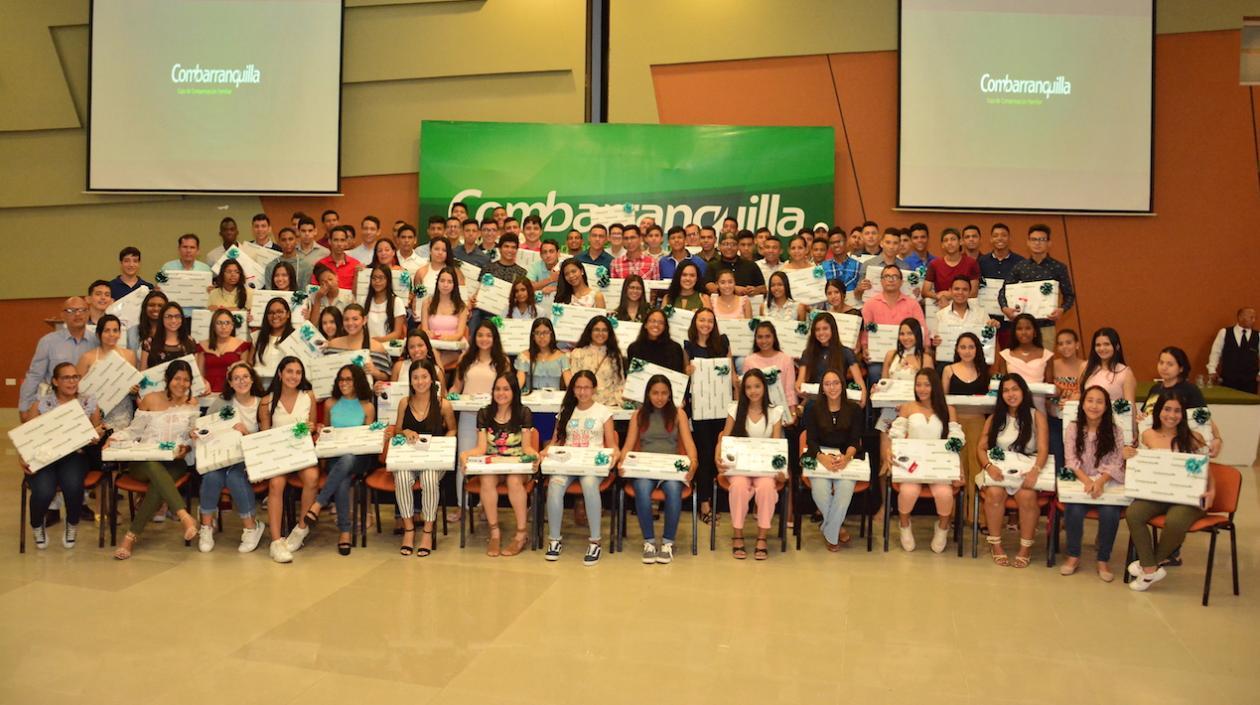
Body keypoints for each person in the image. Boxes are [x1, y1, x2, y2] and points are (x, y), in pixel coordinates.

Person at [1124, 392, 1219, 591]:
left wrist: (1211, 491)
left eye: (1177, 411)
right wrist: (1128, 454)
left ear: (1183, 414)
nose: (1171, 415)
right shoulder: (1147, 435)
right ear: (1158, 411)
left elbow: (1206, 468)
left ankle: (1148, 567)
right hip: (1157, 494)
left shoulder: (1193, 437)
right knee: (1134, 513)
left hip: (1189, 497)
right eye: (1167, 409)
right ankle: (1151, 567)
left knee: (1175, 521)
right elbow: (1140, 465)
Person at [109, 360, 200, 560]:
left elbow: (191, 436)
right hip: (144, 462)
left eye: (186, 380)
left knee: (158, 485)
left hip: (174, 462)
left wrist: (186, 447)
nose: (181, 384)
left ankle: (130, 537)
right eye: (177, 378)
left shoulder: (192, 404)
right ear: (168, 379)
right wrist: (114, 438)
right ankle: (185, 517)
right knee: (153, 466)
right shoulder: (150, 399)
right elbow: (134, 431)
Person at [286, 364, 379, 556]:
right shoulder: (330, 403)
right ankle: (345, 532)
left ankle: (319, 503)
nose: (343, 383)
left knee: (348, 459)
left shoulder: (367, 406)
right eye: (341, 379)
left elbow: (368, 440)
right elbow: (326, 432)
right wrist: (321, 430)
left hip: (359, 459)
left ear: (357, 381)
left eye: (348, 379)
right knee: (342, 481)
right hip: (334, 458)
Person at [21, 362, 103, 550]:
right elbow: (27, 434)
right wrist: (22, 457)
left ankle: (72, 524)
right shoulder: (41, 404)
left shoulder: (88, 401)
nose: (72, 381)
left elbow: (95, 432)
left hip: (75, 455)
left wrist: (96, 436)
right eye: (66, 377)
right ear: (55, 381)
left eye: (75, 377)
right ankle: (36, 525)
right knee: (44, 491)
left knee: (73, 485)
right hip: (44, 456)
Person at [619, 375, 698, 563]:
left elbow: (689, 444)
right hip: (645, 468)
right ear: (648, 394)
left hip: (671, 469)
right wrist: (622, 463)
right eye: (655, 393)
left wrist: (693, 462)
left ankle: (668, 542)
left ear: (670, 394)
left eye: (664, 393)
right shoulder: (638, 415)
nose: (660, 397)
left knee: (673, 490)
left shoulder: (679, 414)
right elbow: (628, 446)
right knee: (642, 489)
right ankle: (649, 541)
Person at [542, 371, 618, 565]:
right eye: (578, 387)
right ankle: (554, 539)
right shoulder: (566, 410)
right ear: (573, 389)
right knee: (555, 486)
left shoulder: (603, 412)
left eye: (586, 387)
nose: (582, 391)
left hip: (591, 465)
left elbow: (612, 446)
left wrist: (614, 458)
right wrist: (543, 452)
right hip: (566, 463)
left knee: (590, 485)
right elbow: (555, 441)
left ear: (594, 389)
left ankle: (595, 541)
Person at [883, 368, 963, 553]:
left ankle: (942, 528)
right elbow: (897, 434)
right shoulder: (908, 407)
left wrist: (958, 468)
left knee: (944, 493)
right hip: (913, 465)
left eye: (926, 384)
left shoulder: (948, 409)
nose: (922, 389)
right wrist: (890, 450)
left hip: (938, 466)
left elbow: (956, 439)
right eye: (918, 384)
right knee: (909, 491)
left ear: (934, 386)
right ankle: (904, 526)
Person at [976, 373, 1050, 568]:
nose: (1011, 394)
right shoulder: (994, 418)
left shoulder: (1037, 416)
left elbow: (1043, 448)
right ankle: (996, 545)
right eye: (1006, 390)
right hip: (998, 470)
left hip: (1026, 468)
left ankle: (1025, 547)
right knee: (994, 493)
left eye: (1015, 389)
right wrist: (989, 467)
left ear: (1023, 391)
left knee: (1027, 496)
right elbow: (981, 448)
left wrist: (1035, 470)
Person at [459, 373, 537, 557]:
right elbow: (481, 448)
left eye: (506, 389)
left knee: (514, 482)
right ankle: (494, 533)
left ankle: (521, 534)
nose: (501, 393)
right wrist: (465, 454)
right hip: (492, 464)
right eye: (497, 389)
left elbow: (526, 447)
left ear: (514, 392)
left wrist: (536, 456)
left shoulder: (523, 413)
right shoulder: (484, 413)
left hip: (516, 465)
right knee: (486, 480)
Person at [195, 362, 267, 554]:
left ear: (252, 379)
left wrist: (246, 433)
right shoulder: (221, 402)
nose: (242, 381)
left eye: (245, 376)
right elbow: (206, 427)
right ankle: (206, 526)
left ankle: (252, 527)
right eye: (236, 378)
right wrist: (197, 432)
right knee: (212, 476)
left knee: (235, 477)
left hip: (250, 456)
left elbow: (267, 439)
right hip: (222, 455)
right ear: (230, 382)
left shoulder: (263, 402)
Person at [1060, 385, 1126, 581]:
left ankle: (1103, 560)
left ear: (1106, 407)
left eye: (1099, 402)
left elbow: (1116, 462)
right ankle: (1073, 556)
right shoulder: (1073, 428)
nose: (1094, 406)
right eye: (1090, 400)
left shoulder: (1116, 431)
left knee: (1109, 512)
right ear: (1082, 404)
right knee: (1074, 510)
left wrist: (1101, 482)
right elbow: (1071, 460)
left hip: (1108, 481)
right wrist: (1088, 481)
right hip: (1081, 479)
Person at [717, 369, 784, 560]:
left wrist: (780, 470)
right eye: (748, 387)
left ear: (764, 387)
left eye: (757, 386)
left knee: (766, 487)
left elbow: (777, 446)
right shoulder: (734, 409)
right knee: (738, 486)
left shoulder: (775, 412)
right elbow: (724, 438)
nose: (753, 391)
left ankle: (762, 537)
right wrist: (718, 458)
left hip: (764, 468)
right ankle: (737, 534)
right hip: (739, 466)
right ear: (743, 389)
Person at [258, 356, 320, 563]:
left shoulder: (308, 395)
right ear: (280, 374)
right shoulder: (267, 400)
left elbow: (314, 425)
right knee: (276, 484)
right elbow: (264, 435)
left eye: (298, 372)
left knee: (312, 478)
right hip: (278, 454)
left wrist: (312, 427)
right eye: (289, 371)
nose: (294, 376)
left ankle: (301, 528)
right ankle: (276, 541)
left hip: (302, 452)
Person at [683, 309, 735, 525]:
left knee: (720, 452)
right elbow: (684, 375)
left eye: (709, 321)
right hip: (700, 409)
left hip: (722, 408)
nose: (705, 324)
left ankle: (720, 500)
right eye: (701, 320)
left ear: (714, 324)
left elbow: (731, 373)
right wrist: (688, 371)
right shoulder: (687, 346)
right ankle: (704, 503)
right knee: (704, 455)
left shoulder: (722, 343)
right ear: (695, 323)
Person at [802, 369, 864, 550]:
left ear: (842, 385)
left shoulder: (853, 409)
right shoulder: (813, 408)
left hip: (847, 457)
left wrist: (846, 458)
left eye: (836, 382)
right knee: (820, 491)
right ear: (822, 388)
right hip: (820, 456)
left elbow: (855, 440)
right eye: (827, 384)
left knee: (845, 491)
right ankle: (837, 528)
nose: (832, 387)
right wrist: (822, 458)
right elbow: (810, 440)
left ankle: (829, 530)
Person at [20, 297, 99, 421]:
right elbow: (34, 376)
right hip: (54, 408)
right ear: (63, 315)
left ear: (88, 313)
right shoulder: (48, 342)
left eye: (82, 310)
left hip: (86, 409)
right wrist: (24, 407)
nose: (78, 314)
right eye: (71, 310)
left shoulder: (97, 341)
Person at [998, 224, 1075, 348]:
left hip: (1046, 325)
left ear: (1049, 243)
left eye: (1042, 240)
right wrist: (1005, 308)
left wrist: (1062, 310)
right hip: (1022, 327)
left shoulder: (1058, 267)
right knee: (1020, 363)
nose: (1037, 243)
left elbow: (1069, 295)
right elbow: (1003, 291)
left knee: (1045, 362)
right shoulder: (1020, 267)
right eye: (1034, 239)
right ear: (1028, 242)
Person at [942, 332, 991, 517]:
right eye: (963, 347)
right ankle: (953, 515)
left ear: (977, 349)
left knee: (977, 468)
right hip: (956, 423)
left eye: (971, 347)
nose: (967, 351)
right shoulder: (948, 370)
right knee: (956, 467)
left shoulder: (984, 371)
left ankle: (978, 516)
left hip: (979, 422)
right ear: (956, 349)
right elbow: (943, 400)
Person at [861, 265, 926, 384]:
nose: (890, 280)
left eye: (895, 276)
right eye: (887, 276)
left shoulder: (913, 304)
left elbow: (922, 332)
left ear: (901, 281)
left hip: (908, 356)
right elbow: (864, 333)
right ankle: (878, 402)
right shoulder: (870, 304)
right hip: (878, 357)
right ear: (881, 281)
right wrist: (865, 349)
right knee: (875, 372)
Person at [76, 315, 138, 430]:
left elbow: (134, 388)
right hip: (96, 415)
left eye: (115, 330)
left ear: (120, 333)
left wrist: (134, 390)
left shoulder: (130, 355)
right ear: (98, 334)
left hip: (123, 414)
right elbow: (78, 390)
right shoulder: (87, 357)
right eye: (106, 331)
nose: (111, 334)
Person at [797, 312, 866, 409]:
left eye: (825, 328)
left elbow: (859, 381)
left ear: (833, 329)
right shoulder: (807, 353)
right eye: (817, 330)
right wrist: (799, 390)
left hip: (839, 399)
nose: (821, 333)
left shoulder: (846, 352)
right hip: (815, 400)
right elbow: (800, 381)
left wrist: (862, 398)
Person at [1080, 327, 1137, 442]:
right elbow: (1080, 396)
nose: (1102, 348)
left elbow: (1129, 407)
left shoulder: (1125, 372)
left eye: (1106, 344)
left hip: (1113, 430)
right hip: (1087, 428)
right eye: (1098, 345)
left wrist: (1133, 433)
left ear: (1116, 346)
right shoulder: (1085, 368)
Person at [994, 314, 1054, 406]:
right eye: (1019, 329)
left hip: (1038, 408)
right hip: (1012, 407)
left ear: (1035, 332)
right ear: (1014, 332)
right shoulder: (1005, 355)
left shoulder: (1047, 355)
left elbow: (1050, 389)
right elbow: (1003, 386)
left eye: (1028, 328)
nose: (1024, 332)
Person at [568, 316, 626, 407]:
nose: (600, 333)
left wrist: (617, 401)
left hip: (610, 406)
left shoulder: (615, 355)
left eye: (604, 330)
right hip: (585, 404)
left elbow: (620, 383)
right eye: (596, 330)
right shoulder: (578, 353)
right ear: (590, 332)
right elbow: (574, 382)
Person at [417, 266, 469, 367]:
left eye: (450, 282)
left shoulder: (461, 306)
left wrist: (444, 338)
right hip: (431, 346)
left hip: (453, 348)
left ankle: (434, 376)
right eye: (442, 281)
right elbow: (424, 329)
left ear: (455, 285)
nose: (445, 285)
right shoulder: (427, 303)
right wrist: (429, 335)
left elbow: (460, 334)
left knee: (434, 362)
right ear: (437, 282)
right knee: (433, 354)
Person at [326, 304, 392, 383]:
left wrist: (375, 372)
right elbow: (325, 373)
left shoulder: (376, 347)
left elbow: (387, 377)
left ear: (364, 320)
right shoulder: (333, 345)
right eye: (346, 319)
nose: (350, 323)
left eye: (355, 319)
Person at [196, 309, 252, 394]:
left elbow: (245, 376)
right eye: (219, 323)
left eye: (227, 323)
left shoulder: (242, 346)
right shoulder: (202, 346)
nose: (223, 327)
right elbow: (200, 375)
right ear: (213, 326)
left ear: (232, 326)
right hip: (208, 395)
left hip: (234, 395)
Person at [1207, 306, 1258, 393]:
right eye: (1251, 317)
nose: (1254, 320)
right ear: (1241, 317)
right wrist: (1212, 370)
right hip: (1228, 378)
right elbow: (1216, 352)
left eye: (1254, 318)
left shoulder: (1258, 335)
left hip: (1250, 380)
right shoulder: (1225, 332)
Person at [923, 228, 979, 305]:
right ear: (942, 245)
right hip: (941, 307)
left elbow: (974, 293)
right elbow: (925, 291)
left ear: (960, 242)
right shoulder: (934, 264)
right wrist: (939, 296)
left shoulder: (971, 263)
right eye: (946, 240)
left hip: (965, 308)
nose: (949, 243)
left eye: (953, 239)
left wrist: (951, 295)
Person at [854, 230, 910, 304]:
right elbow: (857, 296)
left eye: (895, 243)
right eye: (888, 242)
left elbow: (908, 295)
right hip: (873, 308)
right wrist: (860, 289)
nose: (891, 246)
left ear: (900, 246)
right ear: (881, 243)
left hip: (897, 309)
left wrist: (914, 293)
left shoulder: (905, 267)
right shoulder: (868, 264)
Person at [250, 298, 296, 381]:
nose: (275, 316)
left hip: (285, 389)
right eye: (271, 313)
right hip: (259, 388)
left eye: (280, 312)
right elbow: (249, 364)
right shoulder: (257, 336)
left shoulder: (295, 337)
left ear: (288, 314)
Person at [141, 302, 196, 370]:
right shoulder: (149, 343)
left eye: (177, 316)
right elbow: (142, 372)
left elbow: (194, 372)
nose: (173, 320)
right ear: (162, 319)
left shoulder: (190, 342)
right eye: (169, 316)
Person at [362, 265, 405, 342]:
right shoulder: (365, 300)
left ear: (388, 280)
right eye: (374, 278)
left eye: (381, 278)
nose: (377, 281)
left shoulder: (397, 302)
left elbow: (397, 333)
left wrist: (378, 341)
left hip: (388, 347)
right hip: (367, 347)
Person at [315, 225, 363, 291]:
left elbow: (360, 291)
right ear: (329, 241)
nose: (339, 244)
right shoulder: (320, 264)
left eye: (342, 240)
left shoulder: (355, 265)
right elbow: (314, 289)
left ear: (346, 242)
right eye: (336, 240)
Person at [127, 290, 169, 354]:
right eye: (151, 305)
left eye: (160, 306)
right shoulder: (133, 331)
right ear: (145, 307)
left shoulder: (172, 331)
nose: (156, 309)